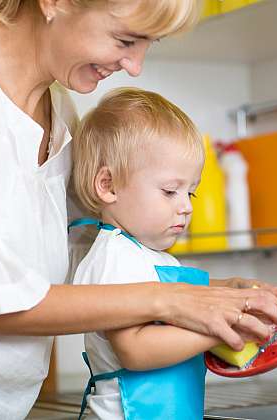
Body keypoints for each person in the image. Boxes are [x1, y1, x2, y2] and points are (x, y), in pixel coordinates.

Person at [0, 1, 277, 419]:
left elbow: (100, 252)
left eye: (149, 43)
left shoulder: (58, 104)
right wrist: (174, 301)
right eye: (126, 39)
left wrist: (216, 297)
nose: (135, 66)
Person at [71, 87, 254, 419]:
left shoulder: (148, 255)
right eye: (170, 191)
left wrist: (231, 292)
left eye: (191, 194)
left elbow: (178, 305)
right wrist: (218, 328)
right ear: (108, 185)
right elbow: (136, 350)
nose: (185, 207)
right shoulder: (115, 256)